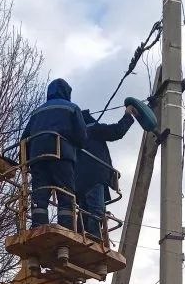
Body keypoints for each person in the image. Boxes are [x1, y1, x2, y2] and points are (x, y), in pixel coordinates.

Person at [21, 78, 87, 229]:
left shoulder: (37, 112)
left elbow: (24, 139)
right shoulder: (72, 108)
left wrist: (24, 162)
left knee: (40, 192)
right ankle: (67, 227)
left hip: (37, 157)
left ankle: (38, 225)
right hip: (61, 156)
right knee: (66, 192)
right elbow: (82, 137)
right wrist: (76, 147)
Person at [76, 105, 135, 239]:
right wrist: (128, 115)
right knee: (96, 210)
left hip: (78, 181)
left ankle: (83, 236)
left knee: (84, 211)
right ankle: (94, 238)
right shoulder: (93, 129)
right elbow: (117, 131)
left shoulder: (74, 137)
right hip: (95, 176)